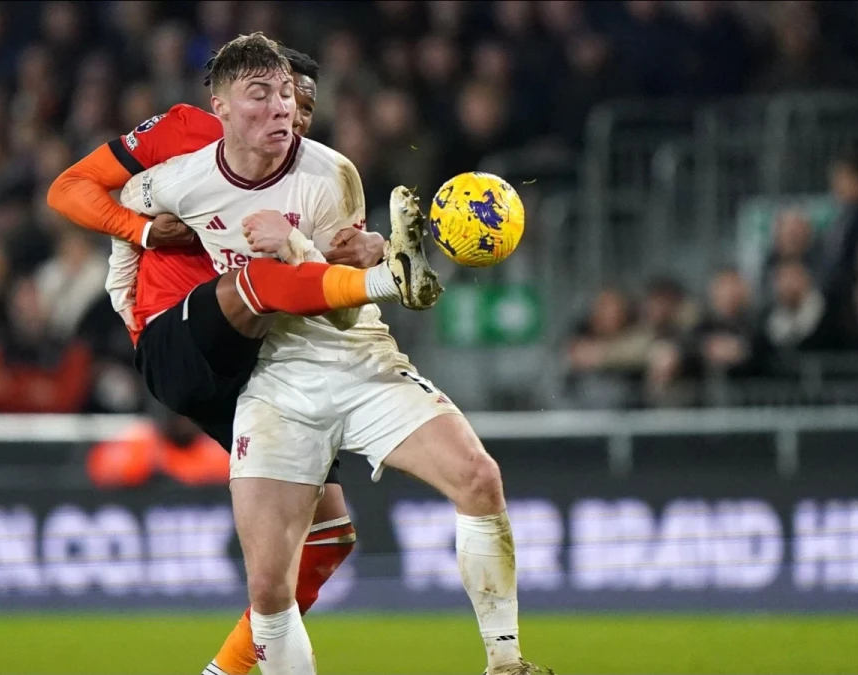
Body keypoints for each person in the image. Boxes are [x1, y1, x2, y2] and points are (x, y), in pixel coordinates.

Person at [112, 33, 549, 675]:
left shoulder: (329, 172)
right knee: (268, 587)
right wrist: (124, 284)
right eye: (263, 96)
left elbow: (339, 310)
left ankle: (506, 663)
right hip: (274, 384)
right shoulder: (185, 179)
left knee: (478, 478)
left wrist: (298, 247)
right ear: (223, 107)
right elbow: (124, 199)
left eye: (288, 95)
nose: (283, 110)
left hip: (356, 361)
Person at [48, 46, 402, 675]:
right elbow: (69, 188)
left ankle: (225, 670)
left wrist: (364, 254)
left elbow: (318, 286)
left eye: (302, 106)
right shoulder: (188, 134)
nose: (293, 117)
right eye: (276, 97)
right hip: (175, 335)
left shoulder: (314, 176)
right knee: (259, 277)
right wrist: (145, 233)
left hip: (254, 365)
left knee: (327, 540)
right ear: (235, 101)